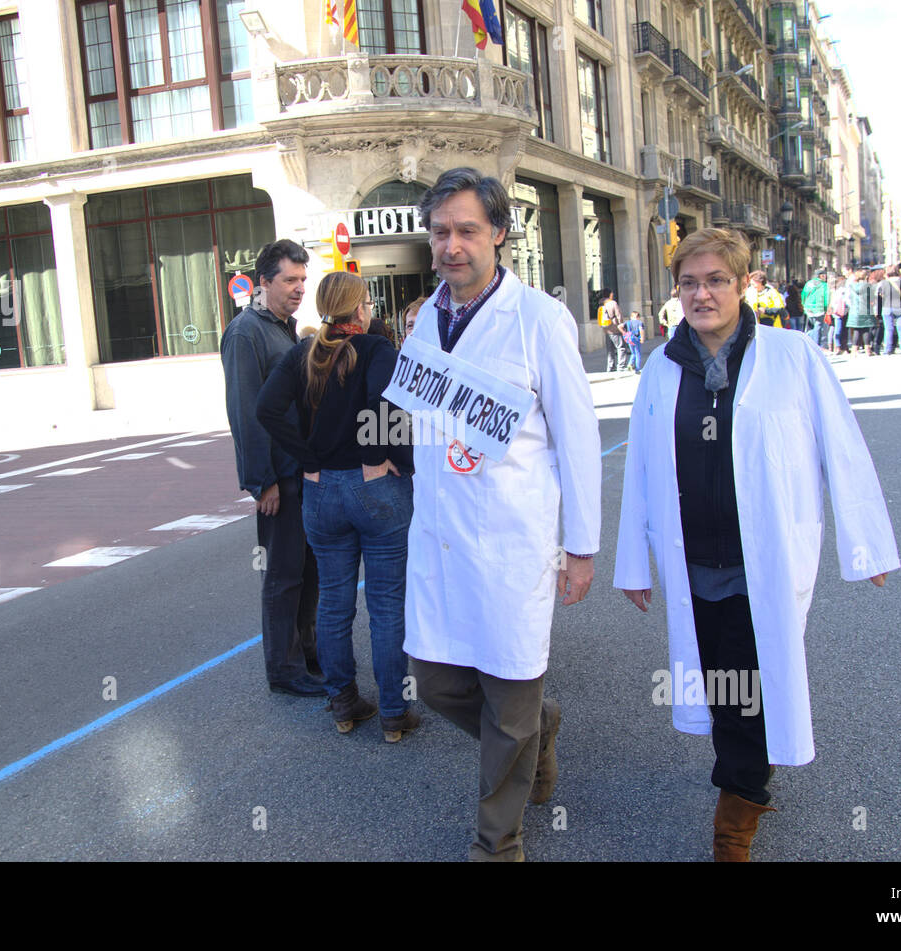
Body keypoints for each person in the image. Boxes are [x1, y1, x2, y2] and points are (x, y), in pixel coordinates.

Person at [614, 228, 899, 862]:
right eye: (689, 282)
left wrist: (868, 545)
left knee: (742, 681)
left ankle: (737, 809)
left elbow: (841, 448)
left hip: (763, 558)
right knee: (723, 684)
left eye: (716, 280)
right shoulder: (661, 368)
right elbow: (642, 470)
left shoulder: (792, 356)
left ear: (744, 286)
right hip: (694, 563)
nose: (701, 293)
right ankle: (749, 769)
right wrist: (635, 561)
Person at [404, 167, 600, 861]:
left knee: (509, 695)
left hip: (515, 540)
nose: (451, 246)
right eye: (440, 233)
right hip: (441, 539)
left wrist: (581, 547)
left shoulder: (541, 319)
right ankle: (537, 729)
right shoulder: (424, 316)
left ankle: (498, 843)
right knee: (435, 682)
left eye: (466, 231)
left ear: (499, 235)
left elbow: (579, 439)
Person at [256, 272, 420, 741]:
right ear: (361, 308)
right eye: (367, 302)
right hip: (375, 490)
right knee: (387, 603)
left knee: (334, 600)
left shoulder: (302, 354)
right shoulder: (375, 350)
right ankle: (393, 711)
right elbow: (384, 406)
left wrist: (309, 458)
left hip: (321, 490)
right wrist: (381, 459)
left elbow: (266, 410)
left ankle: (343, 702)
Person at [221, 239, 324, 698]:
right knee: (284, 575)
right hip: (278, 479)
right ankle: (283, 669)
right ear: (264, 282)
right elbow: (245, 412)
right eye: (289, 280)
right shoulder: (246, 333)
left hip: (301, 472)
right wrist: (262, 482)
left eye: (303, 280)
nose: (299, 288)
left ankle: (306, 654)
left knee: (308, 571)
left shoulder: (285, 328)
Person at [846, 268, 878, 355]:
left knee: (856, 330)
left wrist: (851, 306)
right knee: (866, 330)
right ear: (865, 276)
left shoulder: (851, 286)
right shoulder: (868, 286)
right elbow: (872, 299)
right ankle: (868, 350)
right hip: (865, 309)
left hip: (854, 311)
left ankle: (854, 350)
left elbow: (848, 298)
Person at [878, 265, 901, 355]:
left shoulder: (883, 282)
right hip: (899, 306)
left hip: (887, 307)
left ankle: (887, 349)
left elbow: (880, 294)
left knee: (888, 329)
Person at [801, 268, 831, 349]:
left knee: (810, 327)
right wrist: (826, 309)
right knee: (818, 326)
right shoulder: (824, 285)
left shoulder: (808, 284)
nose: (825, 277)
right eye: (824, 275)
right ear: (821, 276)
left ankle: (809, 344)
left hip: (808, 309)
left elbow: (803, 295)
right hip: (819, 309)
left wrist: (804, 305)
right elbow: (826, 298)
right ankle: (816, 346)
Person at [601, 291, 628, 372]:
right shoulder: (613, 303)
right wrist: (621, 325)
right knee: (621, 347)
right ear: (610, 294)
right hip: (615, 329)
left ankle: (610, 367)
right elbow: (618, 315)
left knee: (610, 350)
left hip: (606, 329)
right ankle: (621, 366)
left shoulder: (601, 304)